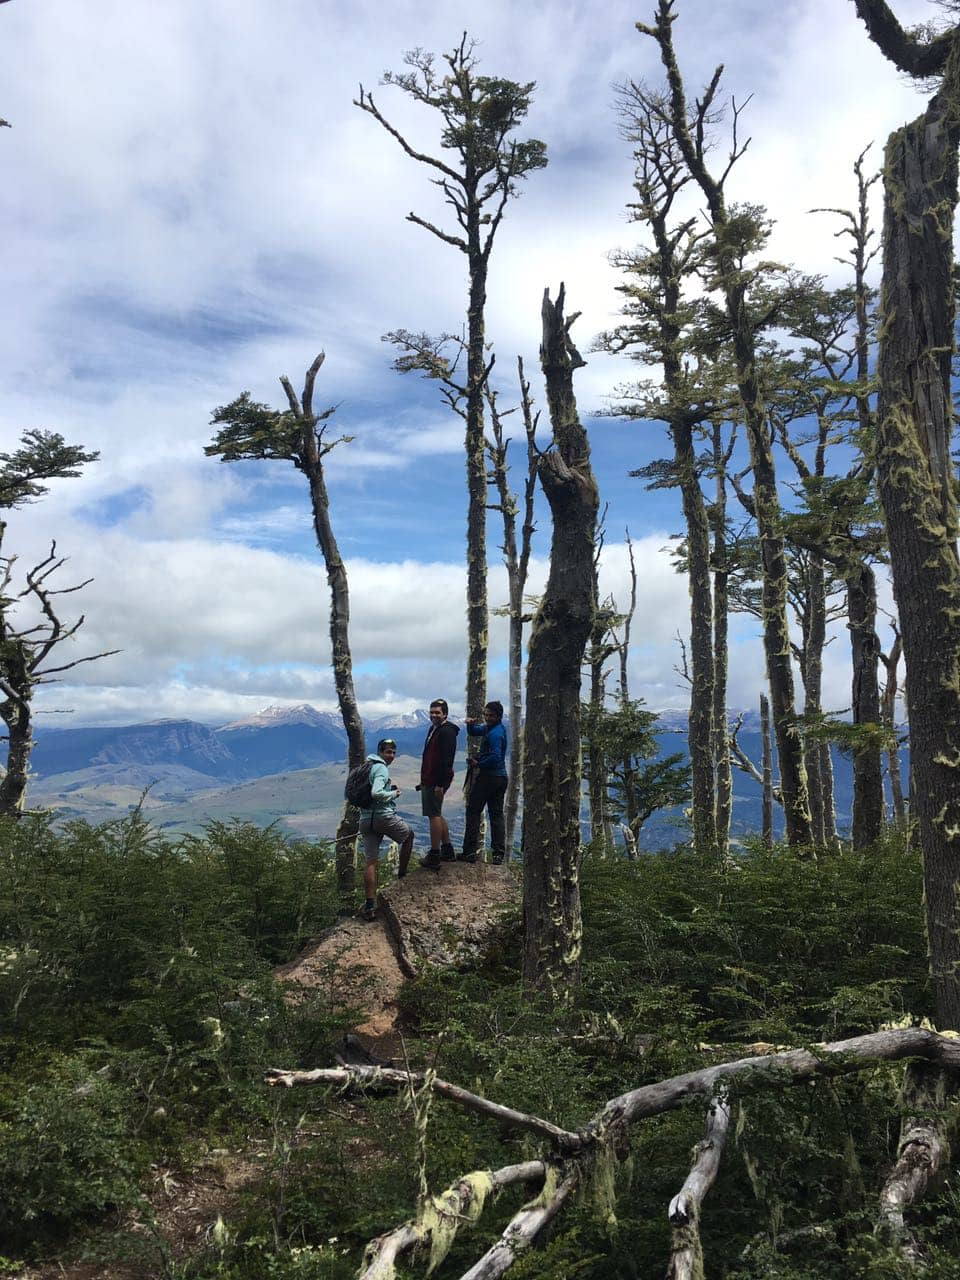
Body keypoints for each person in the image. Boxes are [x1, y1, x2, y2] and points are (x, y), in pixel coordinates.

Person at [358, 738, 413, 920]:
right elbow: (376, 793)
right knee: (409, 836)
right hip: (382, 816)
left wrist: (388, 788)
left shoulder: (366, 767)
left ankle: (369, 906)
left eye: (394, 752)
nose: (392, 756)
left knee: (371, 861)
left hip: (365, 819)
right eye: (388, 752)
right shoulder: (381, 768)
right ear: (380, 752)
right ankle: (403, 877)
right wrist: (394, 793)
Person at [460, 701, 508, 865]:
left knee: (473, 811)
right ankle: (498, 854)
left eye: (491, 715)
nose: (487, 718)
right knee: (496, 815)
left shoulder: (495, 734)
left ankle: (469, 852)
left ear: (498, 716)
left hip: (489, 778)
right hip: (500, 778)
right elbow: (475, 731)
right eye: (486, 715)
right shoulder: (492, 728)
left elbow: (495, 757)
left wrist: (478, 764)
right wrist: (470, 725)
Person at [419, 698, 460, 870]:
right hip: (431, 778)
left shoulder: (446, 732)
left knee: (433, 815)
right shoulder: (434, 729)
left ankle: (435, 854)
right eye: (431, 712)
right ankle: (447, 849)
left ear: (445, 714)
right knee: (436, 812)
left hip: (436, 780)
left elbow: (447, 760)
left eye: (437, 712)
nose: (434, 715)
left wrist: (440, 784)